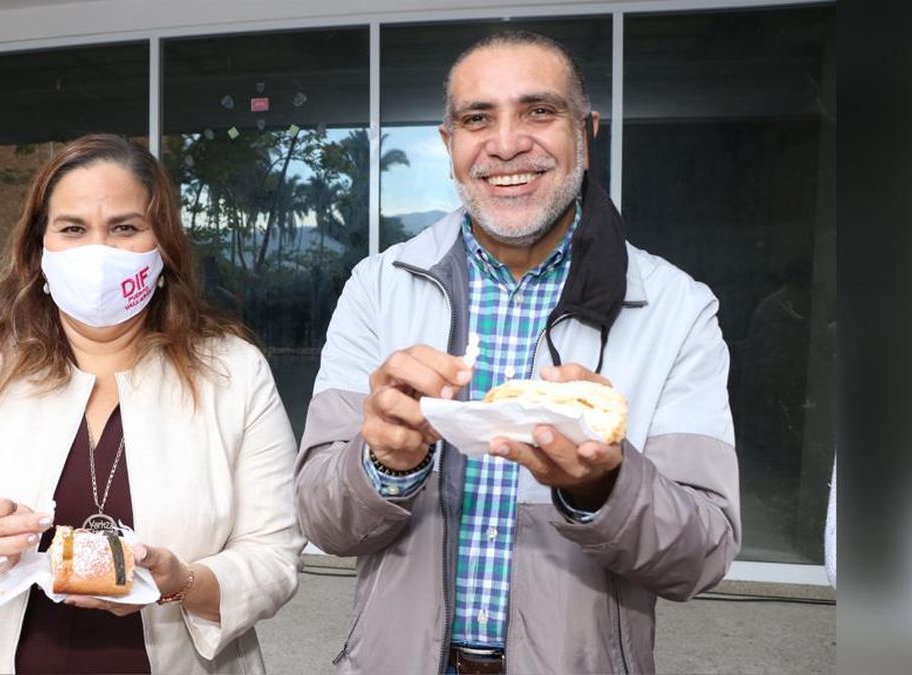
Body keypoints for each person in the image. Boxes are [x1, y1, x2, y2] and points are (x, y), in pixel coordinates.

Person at [295, 31, 739, 674]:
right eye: (478, 119)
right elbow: (321, 521)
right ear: (449, 143)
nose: (505, 144)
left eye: (538, 111)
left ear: (585, 131)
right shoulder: (377, 288)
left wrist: (604, 487)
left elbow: (702, 557)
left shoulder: (677, 308)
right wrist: (383, 463)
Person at [0, 134, 304, 674]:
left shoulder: (233, 371)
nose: (98, 252)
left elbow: (274, 558)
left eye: (125, 227)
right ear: (39, 248)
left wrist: (180, 583)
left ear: (164, 246)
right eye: (73, 229)